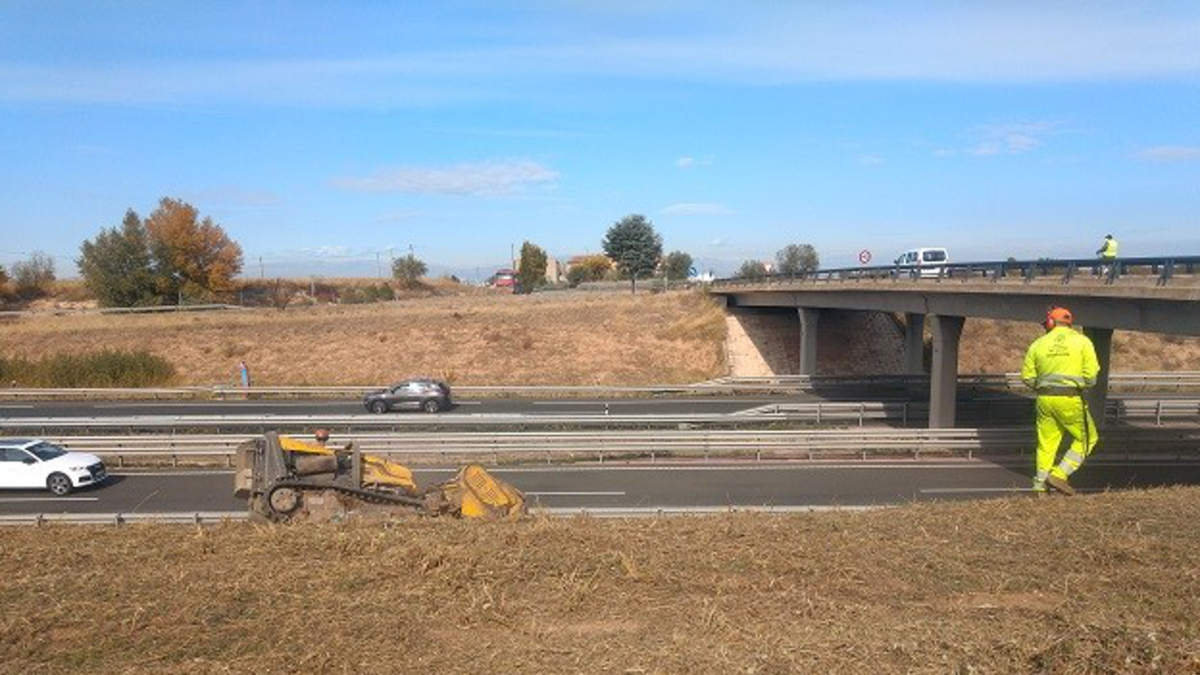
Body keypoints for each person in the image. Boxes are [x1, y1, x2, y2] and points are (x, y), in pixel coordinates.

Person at [1021, 307, 1100, 496]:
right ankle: (1060, 474)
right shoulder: (1082, 342)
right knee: (1088, 438)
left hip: (1044, 400)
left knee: (1046, 443)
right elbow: (1091, 377)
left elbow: (1027, 377)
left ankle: (1040, 486)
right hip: (1070, 399)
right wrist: (1079, 385)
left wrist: (1044, 386)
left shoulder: (1038, 344)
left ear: (1050, 323)